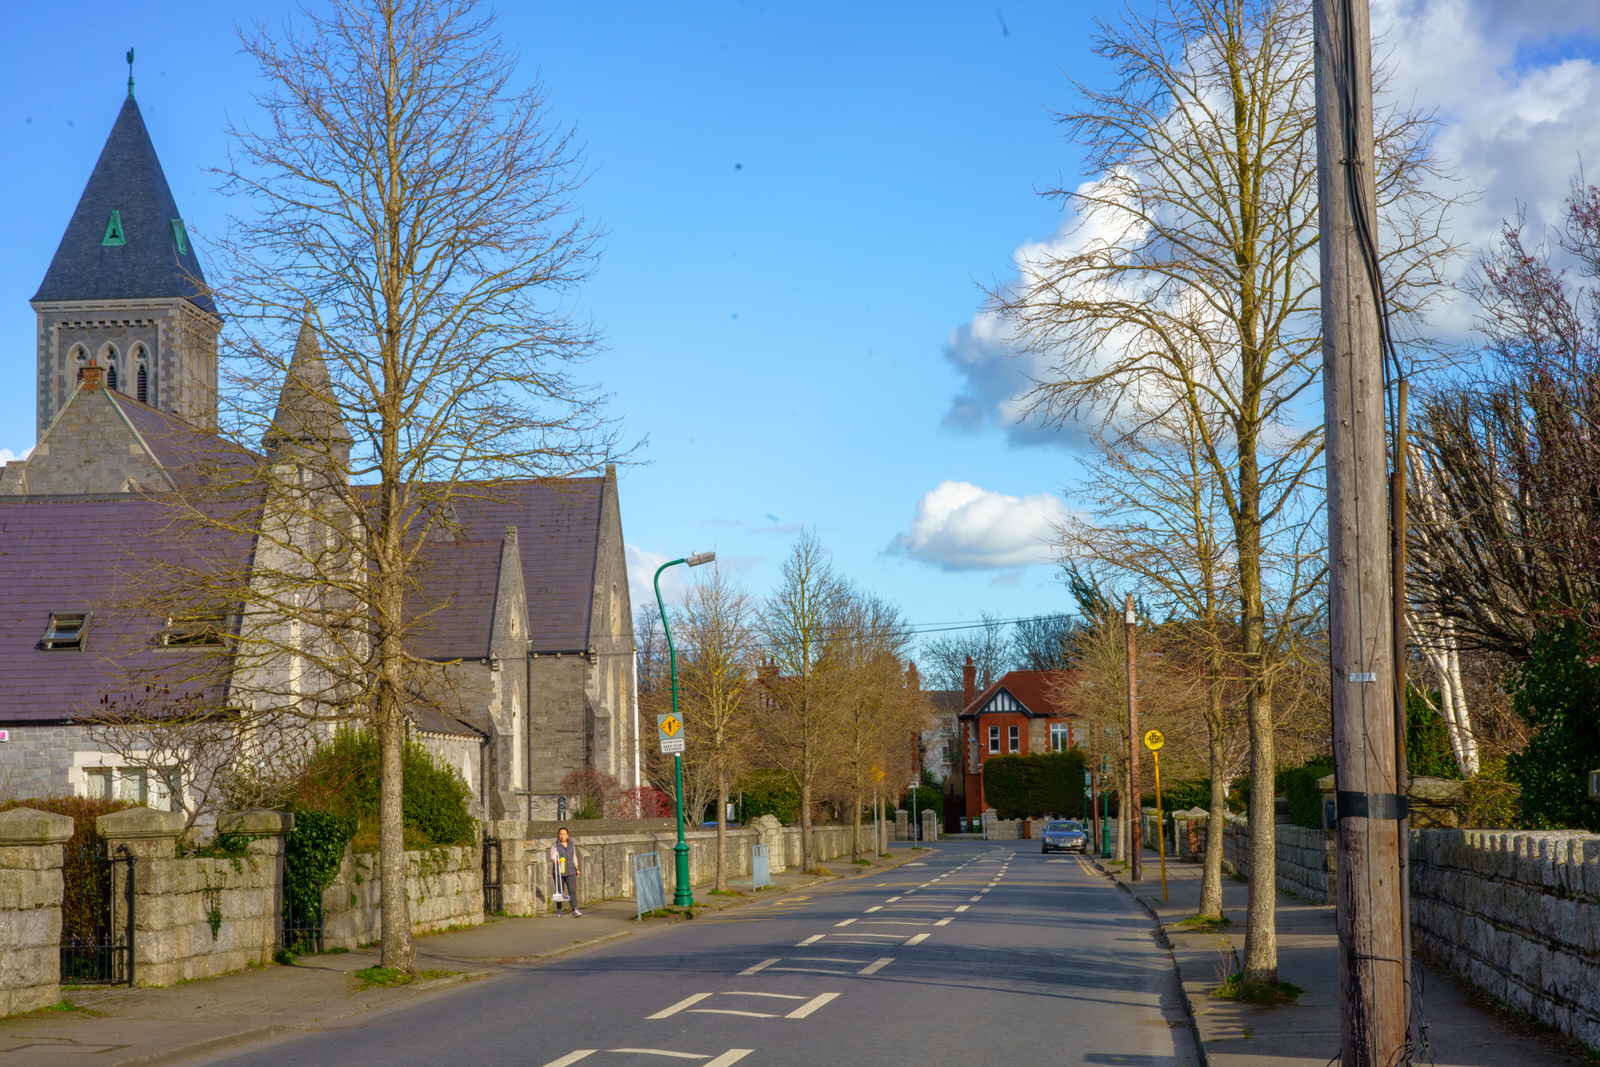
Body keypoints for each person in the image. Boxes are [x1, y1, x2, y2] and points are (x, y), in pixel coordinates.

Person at [550, 826, 582, 917]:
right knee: (559, 891)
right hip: (559, 872)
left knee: (572, 890)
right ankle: (559, 910)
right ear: (558, 835)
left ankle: (575, 910)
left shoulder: (571, 845)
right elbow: (552, 856)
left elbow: (574, 857)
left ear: (567, 835)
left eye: (564, 834)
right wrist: (557, 860)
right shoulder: (555, 845)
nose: (562, 836)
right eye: (560, 834)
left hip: (570, 871)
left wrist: (577, 868)